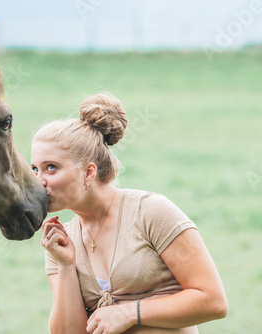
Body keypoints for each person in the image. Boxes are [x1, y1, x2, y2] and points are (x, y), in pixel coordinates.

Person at [31, 92, 228, 334]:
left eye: (51, 167)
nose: (39, 181)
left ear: (89, 173)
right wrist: (65, 265)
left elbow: (213, 301)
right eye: (35, 169)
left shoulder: (151, 212)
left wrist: (129, 313)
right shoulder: (61, 241)